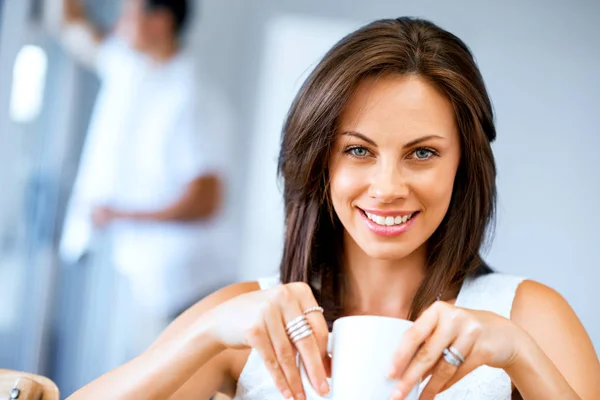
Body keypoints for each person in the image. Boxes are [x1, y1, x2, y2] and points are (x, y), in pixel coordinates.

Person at [66, 17, 600, 400]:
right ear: (319, 161)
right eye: (358, 150)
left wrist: (520, 357)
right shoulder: (247, 318)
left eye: (422, 153)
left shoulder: (526, 317)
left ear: (463, 166)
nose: (387, 187)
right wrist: (203, 334)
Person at [55, 0, 236, 359]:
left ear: (160, 22)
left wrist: (120, 215)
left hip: (184, 285)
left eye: (129, 14)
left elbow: (206, 199)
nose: (120, 23)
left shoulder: (191, 96)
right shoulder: (131, 69)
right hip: (147, 277)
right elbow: (77, 30)